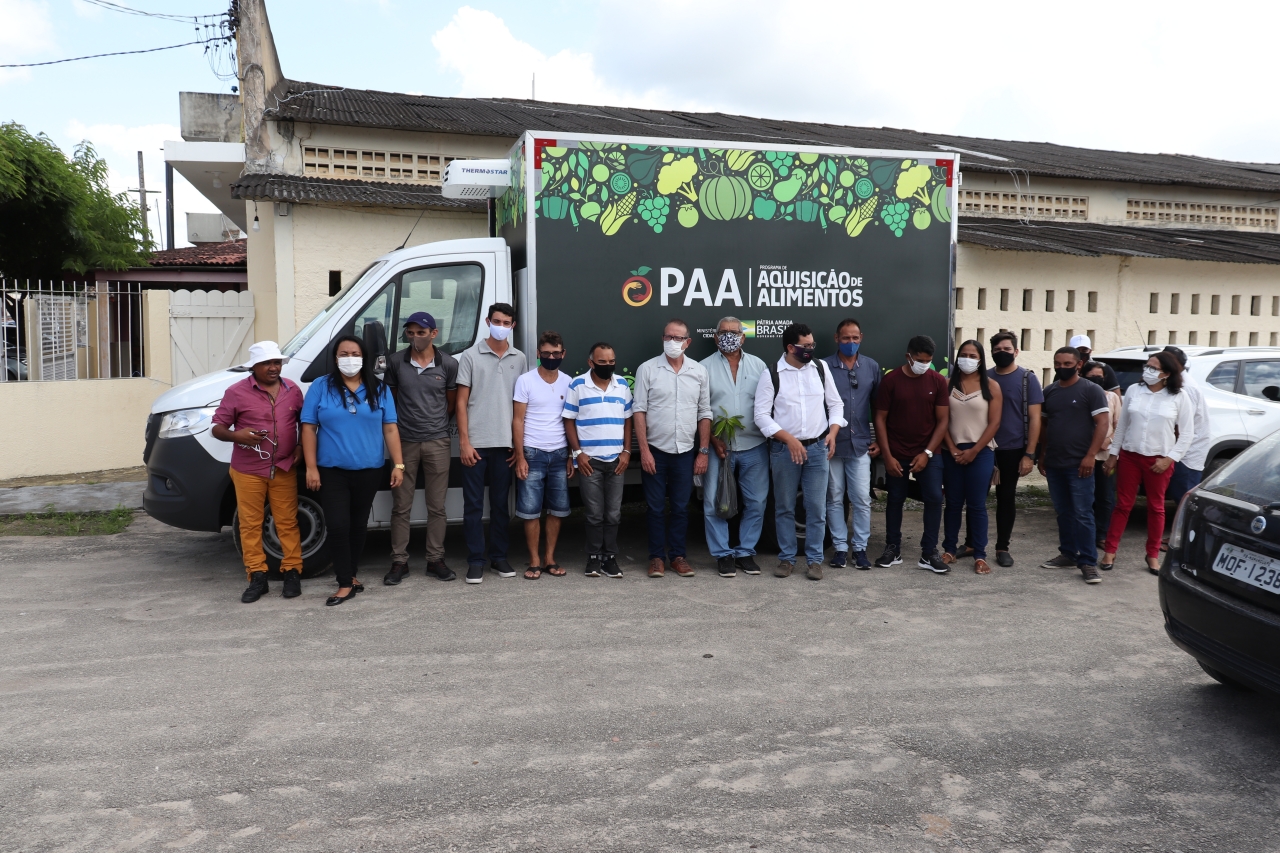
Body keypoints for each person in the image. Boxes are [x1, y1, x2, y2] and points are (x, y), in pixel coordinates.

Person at [300, 335, 404, 606]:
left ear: (364, 357)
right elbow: (308, 428)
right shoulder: (321, 387)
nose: (349, 358)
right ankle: (344, 583)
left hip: (369, 469)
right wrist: (311, 467)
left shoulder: (379, 389)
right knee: (337, 525)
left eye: (354, 353)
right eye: (343, 353)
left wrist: (398, 464)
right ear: (335, 358)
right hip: (332, 470)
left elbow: (390, 428)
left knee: (358, 525)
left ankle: (351, 574)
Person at [212, 341, 306, 603]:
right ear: (254, 367)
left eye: (277, 362)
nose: (274, 368)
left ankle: (292, 572)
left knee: (287, 522)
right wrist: (235, 435)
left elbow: (305, 423)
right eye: (267, 363)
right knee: (250, 524)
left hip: (284, 466)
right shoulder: (236, 392)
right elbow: (217, 427)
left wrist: (299, 446)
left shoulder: (293, 390)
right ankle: (257, 576)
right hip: (248, 470)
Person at [755, 323, 847, 581]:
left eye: (812, 345)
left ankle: (814, 560)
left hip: (817, 448)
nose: (810, 350)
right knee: (784, 507)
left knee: (816, 507)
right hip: (784, 451)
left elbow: (836, 404)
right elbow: (761, 415)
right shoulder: (772, 373)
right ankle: (786, 559)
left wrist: (833, 431)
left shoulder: (820, 368)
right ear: (790, 347)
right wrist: (789, 439)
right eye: (806, 346)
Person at [1101, 351, 1194, 575]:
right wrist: (1113, 455)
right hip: (1130, 456)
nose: (1148, 371)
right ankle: (1110, 551)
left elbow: (1188, 434)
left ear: (1166, 373)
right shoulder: (1134, 390)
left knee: (1156, 507)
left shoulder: (1179, 396)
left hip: (1159, 460)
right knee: (1123, 504)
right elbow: (1122, 425)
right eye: (1147, 366)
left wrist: (1169, 459)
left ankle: (1152, 554)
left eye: (1154, 367)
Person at [633, 318, 712, 578]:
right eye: (668, 337)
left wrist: (702, 451)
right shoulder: (647, 369)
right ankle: (656, 558)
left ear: (687, 342)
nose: (672, 342)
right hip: (655, 450)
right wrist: (643, 450)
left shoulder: (699, 372)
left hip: (685, 452)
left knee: (680, 507)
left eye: (677, 338)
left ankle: (678, 556)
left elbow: (704, 413)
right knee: (655, 508)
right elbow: (640, 411)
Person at [384, 311, 458, 586]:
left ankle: (434, 559)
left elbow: (450, 403)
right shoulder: (395, 362)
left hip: (438, 441)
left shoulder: (448, 364)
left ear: (434, 334)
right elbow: (390, 401)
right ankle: (399, 561)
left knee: (436, 506)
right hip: (404, 443)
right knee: (401, 506)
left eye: (421, 332)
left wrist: (434, 426)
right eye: (411, 332)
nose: (415, 337)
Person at [959, 331, 1042, 567]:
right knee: (976, 498)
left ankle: (1002, 547)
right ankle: (972, 543)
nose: (1002, 353)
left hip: (1012, 449)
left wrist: (1029, 454)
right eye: (997, 350)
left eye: (1007, 349)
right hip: (983, 447)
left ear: (1016, 351)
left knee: (1006, 498)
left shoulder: (1027, 379)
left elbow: (1036, 419)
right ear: (991, 353)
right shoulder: (983, 377)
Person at [456, 303, 525, 585]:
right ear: (487, 321)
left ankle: (498, 557)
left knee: (500, 506)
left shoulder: (519, 358)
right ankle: (475, 560)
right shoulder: (470, 356)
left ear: (513, 326)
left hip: (505, 445)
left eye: (506, 322)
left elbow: (521, 404)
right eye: (496, 320)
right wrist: (464, 442)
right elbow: (461, 402)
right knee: (473, 506)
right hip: (476, 444)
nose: (500, 325)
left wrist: (517, 446)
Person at [873, 335, 951, 574]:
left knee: (934, 499)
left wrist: (927, 453)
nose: (924, 364)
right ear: (908, 356)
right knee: (895, 499)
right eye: (920, 360)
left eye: (928, 360)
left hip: (929, 452)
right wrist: (887, 456)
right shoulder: (891, 380)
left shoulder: (938, 381)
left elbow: (943, 420)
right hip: (897, 452)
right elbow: (880, 419)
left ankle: (929, 553)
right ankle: (892, 548)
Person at [1036, 347, 1110, 584]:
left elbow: (1102, 424)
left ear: (1079, 365)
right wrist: (1043, 454)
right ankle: (1068, 553)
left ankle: (1088, 562)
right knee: (1063, 512)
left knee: (1083, 513)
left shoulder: (1092, 390)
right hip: (1055, 463)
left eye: (1068, 364)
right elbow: (1045, 427)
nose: (1062, 368)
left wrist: (1090, 456)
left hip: (1080, 464)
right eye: (1058, 363)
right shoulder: (1050, 392)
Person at [702, 316, 769, 578]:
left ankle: (745, 552)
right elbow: (701, 408)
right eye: (723, 332)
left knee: (756, 502)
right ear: (716, 337)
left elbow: (766, 403)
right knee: (714, 503)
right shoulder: (703, 367)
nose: (729, 336)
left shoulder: (759, 366)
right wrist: (711, 439)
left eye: (734, 332)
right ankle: (723, 555)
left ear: (743, 336)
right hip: (720, 447)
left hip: (755, 446)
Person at [564, 342, 632, 579]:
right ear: (590, 362)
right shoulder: (578, 385)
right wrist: (577, 453)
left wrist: (626, 451)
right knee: (594, 513)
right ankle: (593, 558)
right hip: (589, 461)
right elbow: (569, 420)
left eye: (611, 361)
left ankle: (610, 558)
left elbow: (628, 419)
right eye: (602, 362)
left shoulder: (622, 384)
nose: (607, 366)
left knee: (613, 513)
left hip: (617, 461)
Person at [513, 331, 573, 580]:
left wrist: (571, 454)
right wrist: (520, 457)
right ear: (538, 354)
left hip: (560, 454)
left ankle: (549, 558)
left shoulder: (569, 381)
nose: (551, 357)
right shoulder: (525, 381)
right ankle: (534, 561)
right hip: (532, 453)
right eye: (546, 353)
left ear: (563, 354)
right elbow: (517, 420)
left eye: (556, 353)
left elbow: (571, 421)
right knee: (530, 510)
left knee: (557, 510)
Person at [822, 318, 881, 570]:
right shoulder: (823, 366)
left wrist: (878, 438)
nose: (851, 342)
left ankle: (859, 549)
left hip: (860, 445)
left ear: (861, 338)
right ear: (837, 338)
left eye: (855, 338)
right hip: (832, 444)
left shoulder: (871, 366)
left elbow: (879, 408)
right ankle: (839, 549)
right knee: (834, 498)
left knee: (861, 499)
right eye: (846, 338)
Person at [941, 340, 1003, 574]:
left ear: (980, 359)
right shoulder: (947, 385)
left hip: (981, 452)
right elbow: (942, 421)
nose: (967, 359)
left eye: (972, 355)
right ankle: (948, 549)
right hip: (952, 452)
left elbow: (995, 422)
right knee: (953, 503)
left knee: (977, 505)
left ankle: (979, 554)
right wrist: (952, 447)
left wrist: (975, 450)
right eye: (963, 354)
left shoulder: (992, 386)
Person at [1161, 345, 1212, 516]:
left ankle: (1187, 537)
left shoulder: (1186, 387)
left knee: (1184, 495)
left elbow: (1182, 424)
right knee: (1178, 493)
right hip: (1177, 448)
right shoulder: (1174, 381)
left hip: (1188, 450)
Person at [1083, 361, 1122, 549]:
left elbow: (1119, 425)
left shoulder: (1112, 398)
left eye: (1100, 376)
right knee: (1085, 497)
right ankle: (1085, 534)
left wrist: (1107, 442)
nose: (1096, 380)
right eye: (1092, 376)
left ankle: (1102, 534)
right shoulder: (1081, 395)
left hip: (1106, 455)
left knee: (1105, 496)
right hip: (1084, 454)